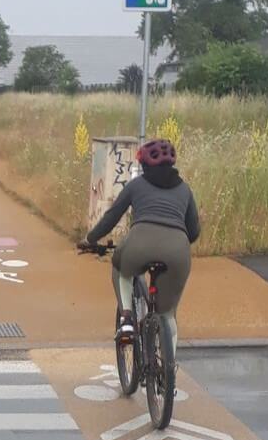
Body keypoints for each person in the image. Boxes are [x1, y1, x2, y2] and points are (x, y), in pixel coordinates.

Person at [79, 139, 200, 353]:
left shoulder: (136, 185)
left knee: (120, 268)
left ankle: (126, 318)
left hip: (139, 243)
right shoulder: (185, 190)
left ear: (144, 165)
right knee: (168, 314)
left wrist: (90, 239)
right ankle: (168, 372)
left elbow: (111, 217)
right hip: (178, 251)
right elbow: (194, 231)